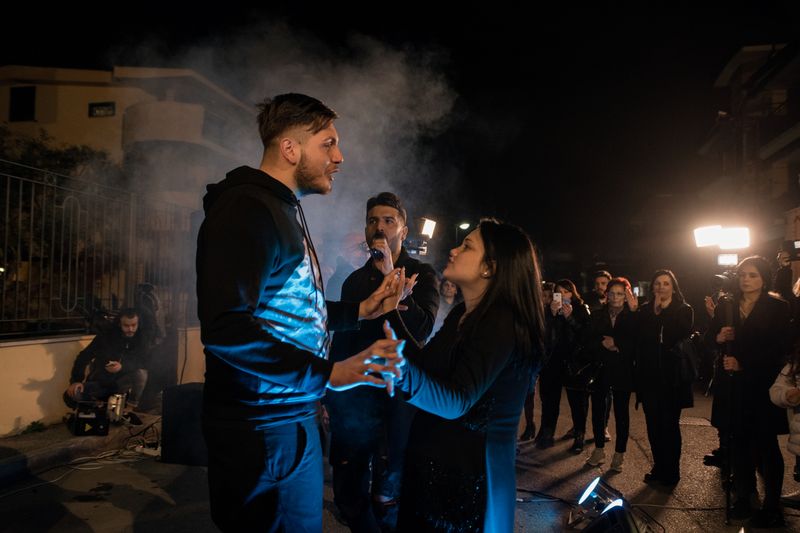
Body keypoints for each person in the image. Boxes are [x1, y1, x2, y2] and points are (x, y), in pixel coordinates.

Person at [195, 93, 405, 532]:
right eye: (327, 143)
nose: (339, 156)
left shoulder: (282, 208)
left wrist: (362, 309)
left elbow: (292, 309)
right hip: (260, 429)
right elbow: (226, 328)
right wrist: (326, 373)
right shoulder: (246, 209)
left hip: (291, 420)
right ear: (290, 148)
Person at [381, 218, 545, 531]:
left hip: (466, 482)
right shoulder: (463, 313)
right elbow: (425, 367)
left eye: (467, 246)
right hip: (436, 466)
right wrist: (393, 309)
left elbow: (457, 400)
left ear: (490, 268)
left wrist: (399, 370)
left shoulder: (502, 322)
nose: (454, 249)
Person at [326, 192, 439, 532]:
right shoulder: (353, 280)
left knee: (388, 491)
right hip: (356, 395)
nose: (380, 226)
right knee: (349, 486)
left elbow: (421, 331)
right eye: (373, 220)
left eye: (389, 220)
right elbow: (340, 342)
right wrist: (328, 394)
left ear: (403, 230)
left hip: (399, 396)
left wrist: (393, 279)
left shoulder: (421, 275)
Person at [708, 256, 791, 527]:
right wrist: (719, 338)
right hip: (732, 386)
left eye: (753, 275)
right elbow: (708, 337)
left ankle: (772, 505)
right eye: (743, 274)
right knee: (738, 444)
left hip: (760, 385)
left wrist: (745, 363)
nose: (746, 279)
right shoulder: (727, 304)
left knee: (766, 446)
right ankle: (744, 496)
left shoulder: (777, 307)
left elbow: (779, 349)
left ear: (764, 278)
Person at [635, 269, 693, 487]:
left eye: (666, 283)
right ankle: (659, 467)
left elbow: (676, 336)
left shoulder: (684, 310)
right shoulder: (644, 310)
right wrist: (652, 313)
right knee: (653, 425)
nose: (661, 287)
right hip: (649, 377)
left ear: (673, 287)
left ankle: (672, 471)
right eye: (657, 283)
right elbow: (641, 339)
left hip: (672, 378)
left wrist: (662, 313)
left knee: (669, 425)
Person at [584, 277, 638, 471]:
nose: (615, 297)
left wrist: (616, 344)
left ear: (627, 296)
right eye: (612, 293)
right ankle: (599, 449)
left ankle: (619, 454)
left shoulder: (632, 316)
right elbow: (588, 340)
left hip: (623, 370)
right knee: (598, 410)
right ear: (607, 295)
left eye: (620, 293)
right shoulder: (597, 315)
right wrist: (601, 343)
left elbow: (636, 342)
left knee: (622, 412)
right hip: (601, 368)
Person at [63, 308, 149, 409]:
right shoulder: (105, 336)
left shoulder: (141, 339)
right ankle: (98, 407)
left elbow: (143, 362)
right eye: (126, 325)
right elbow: (83, 357)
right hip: (100, 383)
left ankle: (128, 411)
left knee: (141, 374)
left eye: (134, 325)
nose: (130, 329)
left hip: (120, 384)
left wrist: (122, 366)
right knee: (71, 394)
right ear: (119, 324)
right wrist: (76, 381)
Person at [554, 278, 592, 453]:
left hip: (579, 361)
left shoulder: (581, 309)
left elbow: (586, 334)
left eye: (566, 292)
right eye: (559, 292)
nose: (562, 295)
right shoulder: (554, 309)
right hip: (563, 361)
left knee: (580, 400)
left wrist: (569, 318)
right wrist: (553, 315)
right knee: (571, 400)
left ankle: (580, 435)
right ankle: (577, 428)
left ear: (573, 293)